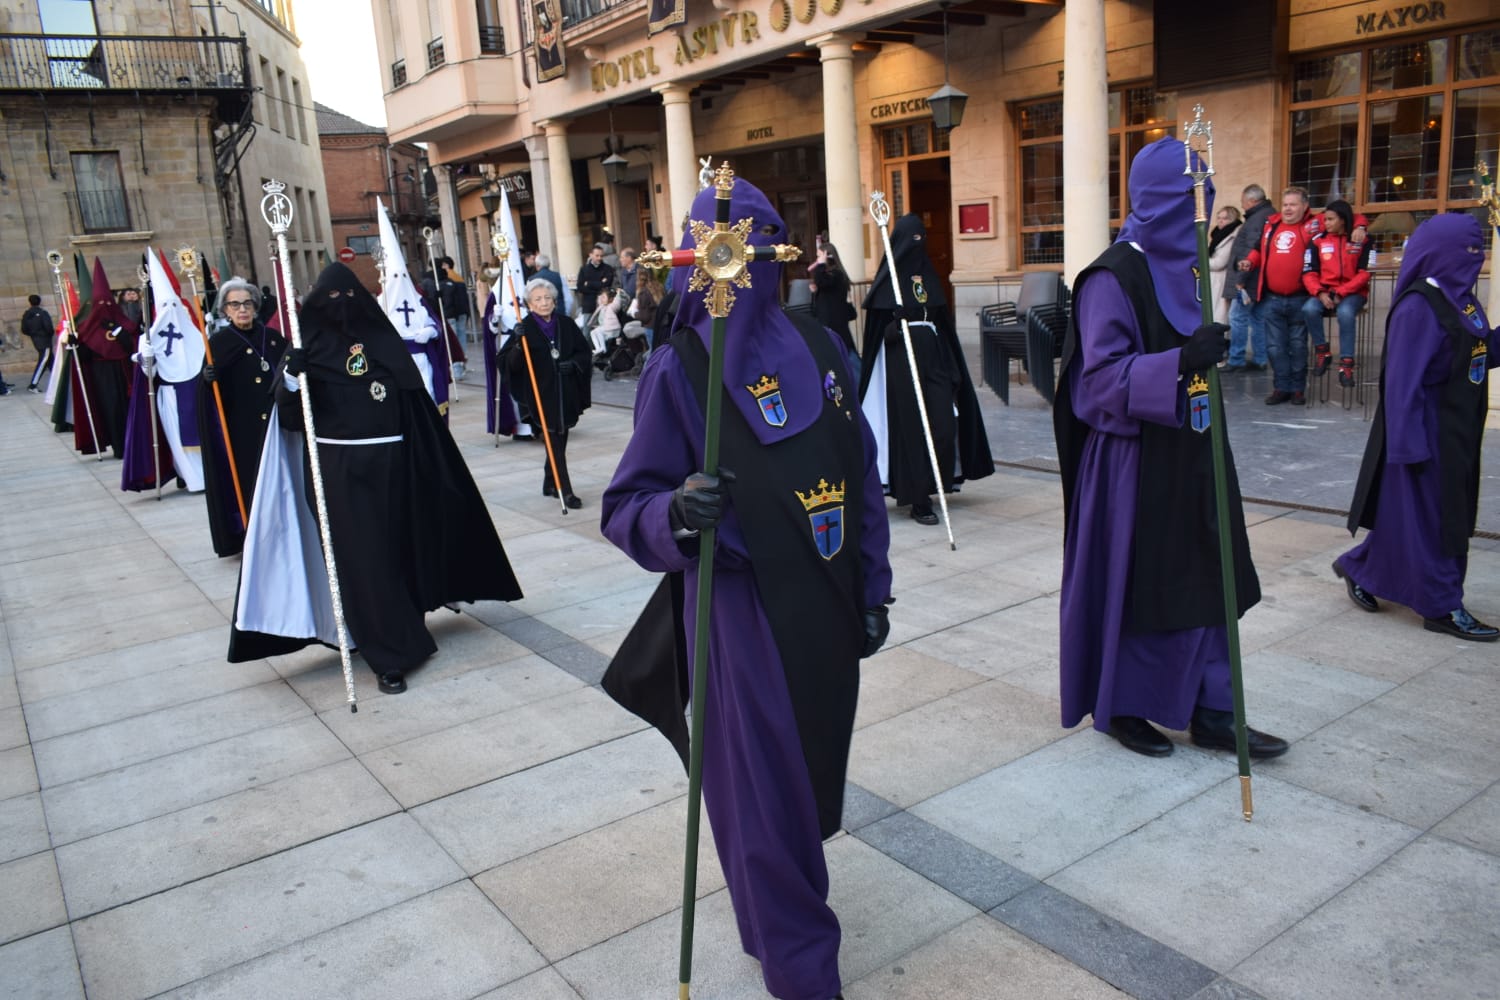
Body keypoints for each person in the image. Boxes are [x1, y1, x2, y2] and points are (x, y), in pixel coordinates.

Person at [600, 175, 892, 1000]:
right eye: (718, 250)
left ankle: (779, 919)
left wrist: (875, 586)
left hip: (827, 604)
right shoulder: (678, 368)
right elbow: (626, 507)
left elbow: (860, 473)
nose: (737, 265)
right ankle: (804, 966)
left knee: (806, 775)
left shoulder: (825, 345)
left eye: (754, 240)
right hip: (738, 613)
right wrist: (677, 511)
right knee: (760, 791)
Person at [1052, 136, 1288, 760]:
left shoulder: (1188, 269)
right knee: (1145, 583)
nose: (1202, 213)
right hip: (1136, 458)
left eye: (1207, 197)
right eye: (1191, 199)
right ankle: (1129, 705)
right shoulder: (1110, 276)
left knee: (1210, 575)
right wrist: (1180, 361)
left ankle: (1214, 710)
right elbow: (1097, 383)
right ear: (1158, 202)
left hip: (1197, 448)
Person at [228, 262, 523, 692]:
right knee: (362, 565)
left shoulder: (385, 349)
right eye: (330, 302)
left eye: (349, 299)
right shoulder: (307, 355)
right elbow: (292, 422)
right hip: (337, 479)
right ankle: (389, 655)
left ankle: (400, 625)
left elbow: (415, 414)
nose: (341, 310)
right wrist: (289, 380)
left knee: (399, 555)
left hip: (395, 474)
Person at [1333, 213, 1497, 642]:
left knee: (1422, 518)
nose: (1478, 260)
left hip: (1459, 431)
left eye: (1479, 251)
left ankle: (1363, 568)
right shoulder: (1418, 307)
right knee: (1438, 524)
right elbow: (1400, 385)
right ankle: (1442, 605)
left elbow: (1474, 353)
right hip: (1429, 436)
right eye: (1469, 252)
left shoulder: (1461, 298)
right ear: (1441, 253)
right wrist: (1408, 449)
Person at [859, 213, 994, 525]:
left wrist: (952, 369)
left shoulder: (929, 278)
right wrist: (896, 323)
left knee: (944, 427)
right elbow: (877, 336)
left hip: (934, 359)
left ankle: (938, 482)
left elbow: (943, 327)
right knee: (911, 432)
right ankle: (919, 500)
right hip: (901, 363)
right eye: (913, 239)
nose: (918, 245)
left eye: (923, 239)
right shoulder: (887, 282)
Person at [199, 277, 287, 557]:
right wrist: (205, 380)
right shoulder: (219, 343)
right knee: (250, 481)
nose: (242, 309)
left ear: (256, 306)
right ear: (225, 310)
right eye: (235, 304)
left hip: (276, 424)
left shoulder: (272, 338)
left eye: (247, 303)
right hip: (241, 429)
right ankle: (252, 535)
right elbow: (207, 398)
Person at [504, 277, 592, 509]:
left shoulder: (566, 323)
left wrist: (573, 364)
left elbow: (584, 352)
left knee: (559, 440)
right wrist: (517, 343)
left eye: (547, 298)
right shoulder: (525, 328)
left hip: (566, 393)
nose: (544, 303)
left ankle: (549, 482)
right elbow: (509, 364)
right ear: (529, 304)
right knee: (554, 440)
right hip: (540, 395)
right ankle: (565, 491)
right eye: (538, 299)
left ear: (554, 300)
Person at [1241, 186, 1318, 404]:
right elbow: (1257, 249)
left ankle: (1297, 389)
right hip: (1273, 298)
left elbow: (1345, 216)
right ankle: (1281, 387)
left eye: (1293, 204)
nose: (1288, 209)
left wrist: (1359, 225)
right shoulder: (1271, 225)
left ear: (1304, 206)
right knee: (1275, 347)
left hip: (1300, 298)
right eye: (1285, 204)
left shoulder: (1313, 226)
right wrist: (1250, 261)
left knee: (1298, 346)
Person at [70, 259, 138, 458]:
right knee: (111, 411)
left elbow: (131, 344)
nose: (104, 307)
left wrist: (117, 330)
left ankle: (133, 443)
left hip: (124, 372)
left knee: (129, 410)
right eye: (100, 304)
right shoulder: (88, 330)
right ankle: (119, 447)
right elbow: (84, 356)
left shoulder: (123, 322)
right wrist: (75, 343)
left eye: (107, 303)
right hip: (102, 377)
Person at [1301, 200, 1370, 389]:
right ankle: (1323, 351)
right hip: (1325, 291)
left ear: (1343, 220)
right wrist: (1320, 292)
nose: (1327, 223)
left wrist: (1341, 292)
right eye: (1325, 219)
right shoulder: (1317, 240)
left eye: (1331, 219)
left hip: (1353, 292)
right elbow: (1309, 273)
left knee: (1345, 313)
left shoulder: (1361, 239)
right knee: (1308, 309)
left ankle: (1347, 364)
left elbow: (1365, 273)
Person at [1222, 184, 1274, 372]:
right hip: (1260, 279)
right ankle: (1260, 358)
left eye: (1243, 202)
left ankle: (1236, 359)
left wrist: (1241, 279)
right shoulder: (1265, 216)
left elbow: (1251, 250)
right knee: (1257, 319)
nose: (1242, 206)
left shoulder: (1256, 220)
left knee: (1237, 317)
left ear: (1252, 201)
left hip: (1250, 279)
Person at [809, 241, 857, 359]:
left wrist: (821, 265)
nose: (818, 259)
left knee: (842, 354)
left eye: (819, 255)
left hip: (834, 322)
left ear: (827, 256)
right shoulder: (830, 274)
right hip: (829, 320)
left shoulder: (836, 274)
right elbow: (824, 287)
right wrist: (816, 291)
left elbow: (822, 282)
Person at [1207, 205, 1241, 325]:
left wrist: (1201, 261)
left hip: (1221, 279)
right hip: (1214, 278)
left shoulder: (1231, 236)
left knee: (1219, 314)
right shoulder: (1218, 234)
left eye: (1225, 218)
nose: (1221, 221)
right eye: (1219, 218)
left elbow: (1219, 262)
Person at [22, 293, 54, 393]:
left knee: (51, 362)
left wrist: (33, 334)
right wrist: (48, 335)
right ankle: (33, 385)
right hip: (44, 340)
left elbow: (24, 329)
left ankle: (60, 381)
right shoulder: (43, 313)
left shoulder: (27, 314)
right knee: (43, 361)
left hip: (36, 340)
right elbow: (48, 327)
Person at [576, 244, 615, 316]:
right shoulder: (584, 269)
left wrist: (589, 284)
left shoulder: (608, 269)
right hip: (588, 306)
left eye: (601, 256)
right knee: (587, 326)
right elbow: (580, 287)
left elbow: (606, 286)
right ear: (591, 255)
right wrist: (599, 284)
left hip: (604, 306)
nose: (599, 258)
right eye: (597, 255)